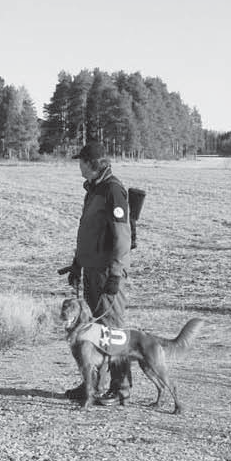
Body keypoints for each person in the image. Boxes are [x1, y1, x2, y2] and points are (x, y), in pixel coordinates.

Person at [63, 143, 133, 406]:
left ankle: (120, 388)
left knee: (112, 331)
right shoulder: (94, 190)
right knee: (91, 332)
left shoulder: (113, 190)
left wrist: (116, 274)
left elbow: (121, 238)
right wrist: (77, 264)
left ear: (93, 163)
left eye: (81, 161)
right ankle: (91, 385)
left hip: (106, 273)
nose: (79, 166)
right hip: (92, 269)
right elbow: (88, 232)